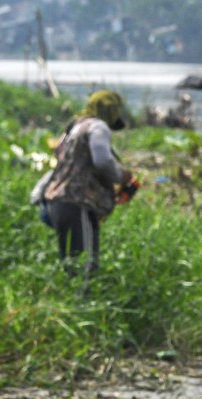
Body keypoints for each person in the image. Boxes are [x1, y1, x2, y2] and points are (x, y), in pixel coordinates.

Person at [43, 89, 132, 277]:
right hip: (78, 203)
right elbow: (102, 161)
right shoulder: (98, 127)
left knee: (69, 264)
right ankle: (82, 301)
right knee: (86, 265)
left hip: (58, 200)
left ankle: (65, 301)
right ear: (111, 110)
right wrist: (120, 176)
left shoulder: (75, 126)